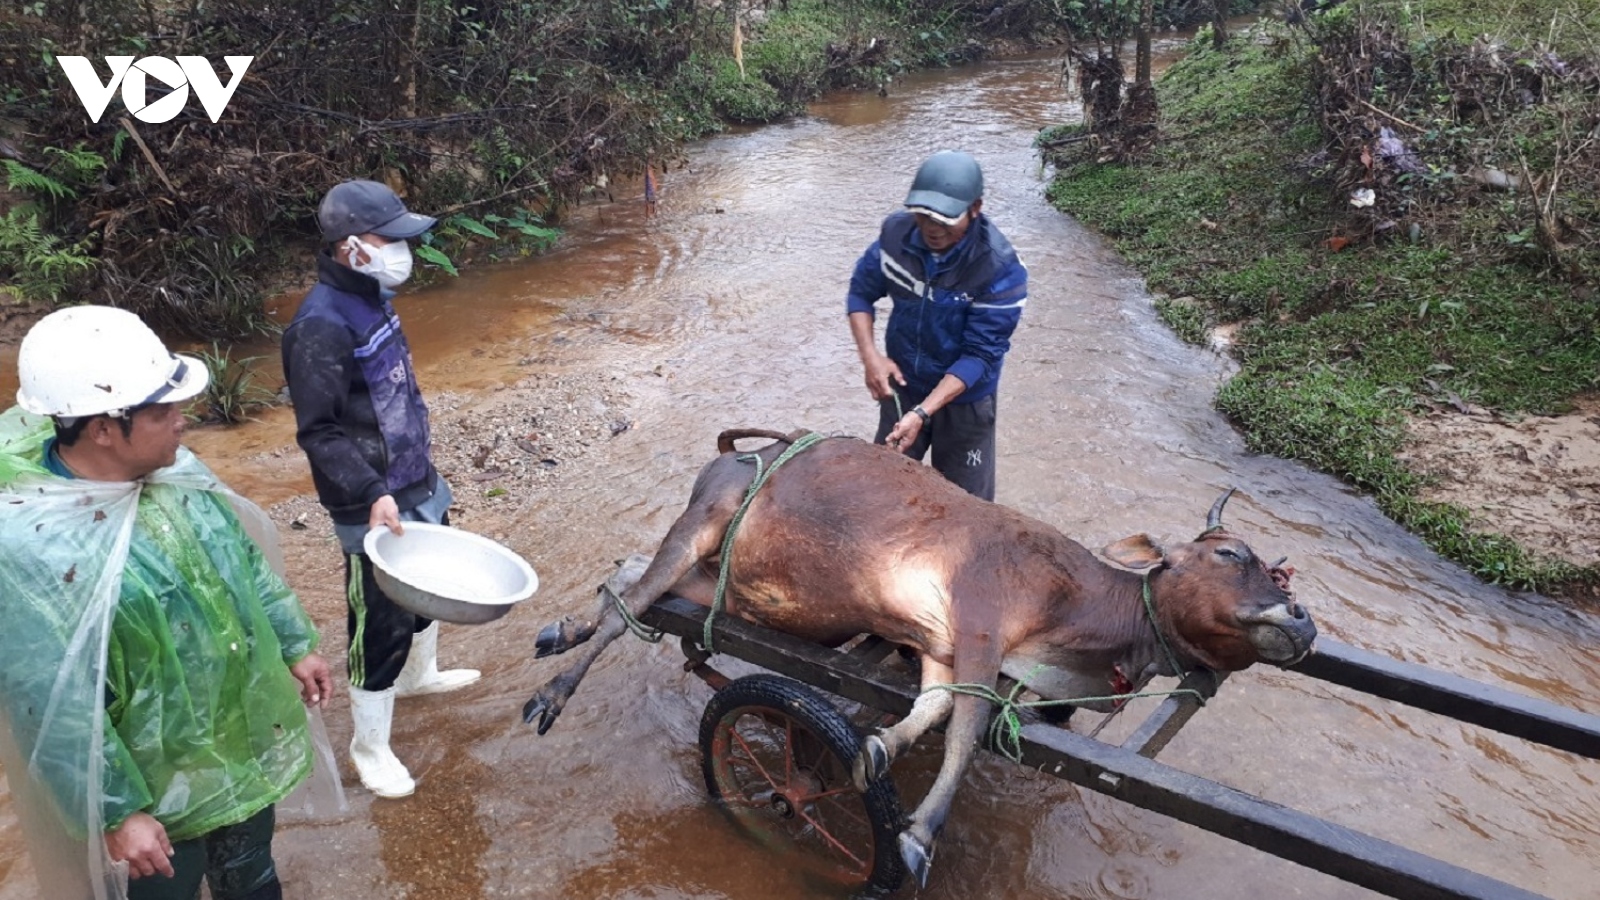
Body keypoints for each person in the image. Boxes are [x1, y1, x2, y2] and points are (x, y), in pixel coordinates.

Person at [0, 305, 334, 900]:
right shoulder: (33, 547)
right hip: (150, 789)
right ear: (102, 427)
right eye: (163, 411)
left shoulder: (172, 471)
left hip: (236, 740)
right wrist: (115, 812)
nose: (184, 423)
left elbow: (242, 561)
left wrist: (294, 642)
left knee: (253, 879)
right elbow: (51, 705)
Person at [281, 179, 479, 800]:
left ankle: (420, 678)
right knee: (380, 619)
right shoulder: (318, 325)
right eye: (385, 239)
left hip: (413, 478)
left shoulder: (373, 294)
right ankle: (369, 744)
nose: (400, 250)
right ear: (348, 248)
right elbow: (319, 432)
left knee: (430, 588)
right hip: (370, 501)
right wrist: (370, 490)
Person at [845, 150, 1028, 501]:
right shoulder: (896, 236)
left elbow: (979, 355)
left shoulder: (1000, 269)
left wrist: (923, 413)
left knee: (965, 508)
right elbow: (860, 293)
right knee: (881, 492)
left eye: (946, 218)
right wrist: (871, 358)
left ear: (975, 208)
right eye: (924, 214)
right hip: (903, 388)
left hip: (964, 403)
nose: (932, 227)